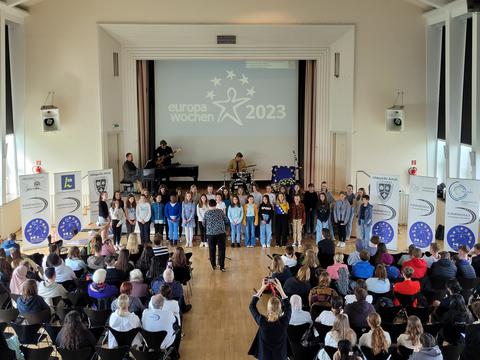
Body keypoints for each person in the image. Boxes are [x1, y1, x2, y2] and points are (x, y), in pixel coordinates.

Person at [249, 278, 290, 360]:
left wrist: (262, 288)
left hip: (264, 357)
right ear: (280, 309)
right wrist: (280, 289)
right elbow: (289, 307)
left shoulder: (262, 322)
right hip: (280, 357)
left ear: (268, 309)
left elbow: (251, 306)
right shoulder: (284, 322)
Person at [203, 199, 229, 272]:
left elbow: (203, 223)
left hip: (210, 234)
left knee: (212, 249)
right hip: (221, 233)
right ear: (216, 204)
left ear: (209, 205)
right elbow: (226, 220)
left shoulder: (206, 213)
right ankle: (222, 266)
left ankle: (213, 265)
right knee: (221, 249)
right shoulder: (220, 211)